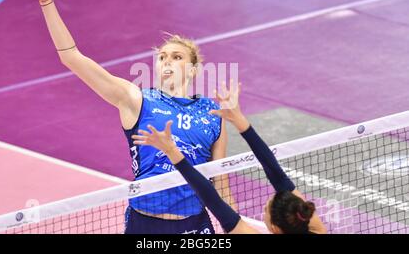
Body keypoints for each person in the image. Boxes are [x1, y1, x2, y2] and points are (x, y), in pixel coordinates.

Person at [19, 0, 233, 234]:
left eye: (176, 57)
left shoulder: (212, 113)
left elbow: (222, 183)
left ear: (192, 68)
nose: (166, 61)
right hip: (145, 225)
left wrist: (235, 230)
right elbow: (72, 57)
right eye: (162, 57)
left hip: (195, 226)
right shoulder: (137, 100)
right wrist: (47, 3)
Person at [132, 80, 327, 234]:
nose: (264, 211)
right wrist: (240, 121)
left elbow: (210, 196)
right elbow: (277, 175)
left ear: (275, 228)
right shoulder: (315, 229)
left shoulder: (310, 222)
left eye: (265, 211)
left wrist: (172, 152)